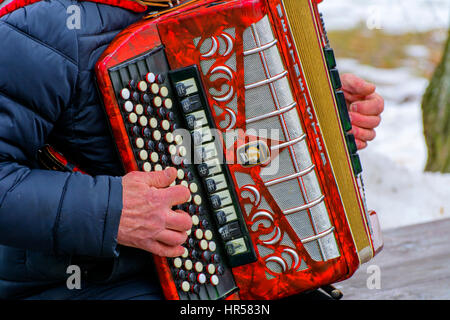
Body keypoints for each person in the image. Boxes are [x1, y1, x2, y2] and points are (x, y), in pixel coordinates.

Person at [0, 0, 384, 300]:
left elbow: (206, 138)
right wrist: (113, 210)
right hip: (77, 283)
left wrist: (314, 115)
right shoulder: (36, 28)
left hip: (214, 274)